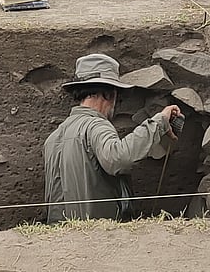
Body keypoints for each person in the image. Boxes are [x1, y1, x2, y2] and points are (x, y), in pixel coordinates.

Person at [43, 53, 183, 223]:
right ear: (109, 94)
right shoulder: (96, 126)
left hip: (63, 240)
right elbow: (119, 159)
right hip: (98, 239)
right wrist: (158, 122)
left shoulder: (53, 138)